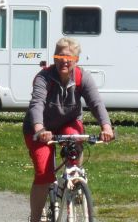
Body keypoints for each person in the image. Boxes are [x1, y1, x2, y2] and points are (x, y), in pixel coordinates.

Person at [23, 37, 115, 222]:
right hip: (41, 128)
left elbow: (96, 103)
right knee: (43, 173)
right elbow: (37, 104)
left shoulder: (82, 77)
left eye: (69, 57)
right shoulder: (44, 77)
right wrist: (40, 129)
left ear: (76, 60)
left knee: (75, 138)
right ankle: (35, 218)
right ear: (54, 58)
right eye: (60, 56)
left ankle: (74, 181)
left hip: (68, 122)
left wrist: (106, 127)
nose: (64, 61)